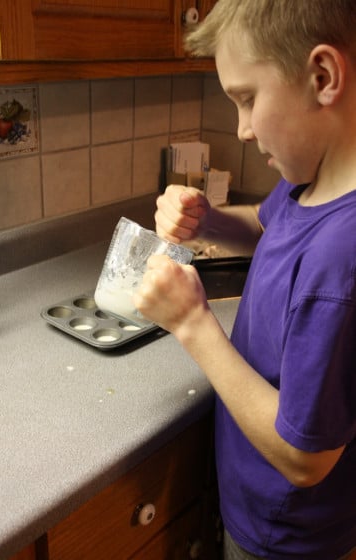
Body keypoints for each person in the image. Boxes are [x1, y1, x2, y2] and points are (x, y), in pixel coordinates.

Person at [133, 1, 356, 559]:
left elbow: (306, 457)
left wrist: (192, 324)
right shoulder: (316, 178)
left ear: (322, 76)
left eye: (248, 99)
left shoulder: (340, 256)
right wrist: (207, 220)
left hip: (286, 536)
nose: (242, 129)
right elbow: (264, 225)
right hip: (259, 500)